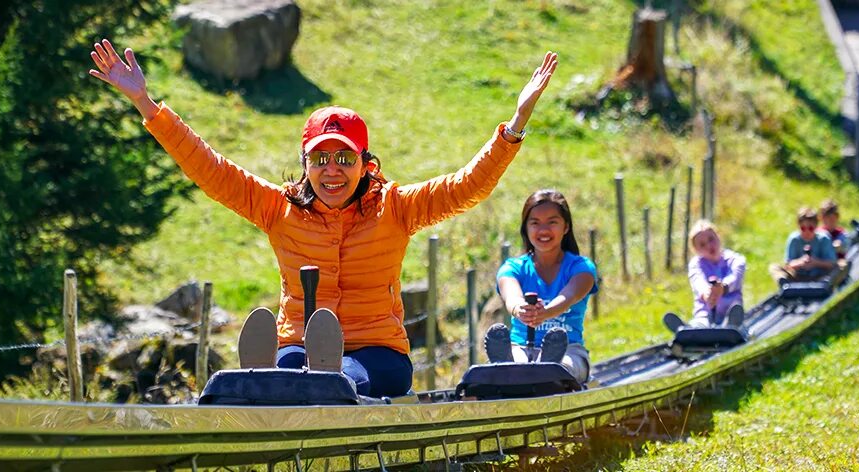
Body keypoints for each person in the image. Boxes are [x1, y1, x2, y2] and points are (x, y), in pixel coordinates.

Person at [89, 39, 559, 398]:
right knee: (295, 370)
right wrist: (147, 106)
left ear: (365, 164)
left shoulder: (395, 206)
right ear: (305, 165)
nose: (331, 170)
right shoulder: (278, 208)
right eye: (320, 160)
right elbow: (211, 169)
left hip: (379, 352)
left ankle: (300, 383)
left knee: (341, 378)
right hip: (296, 342)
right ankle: (271, 379)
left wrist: (514, 125)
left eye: (343, 159)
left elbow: (466, 186)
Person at [484, 190, 598, 383]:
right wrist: (521, 310)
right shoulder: (512, 268)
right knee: (518, 365)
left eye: (552, 222)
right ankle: (513, 367)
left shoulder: (582, 268)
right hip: (520, 347)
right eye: (535, 223)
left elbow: (568, 297)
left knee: (564, 368)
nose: (543, 230)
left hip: (569, 350)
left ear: (566, 227)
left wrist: (545, 312)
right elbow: (511, 297)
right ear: (526, 229)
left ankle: (546, 369)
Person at [671, 220, 746, 330]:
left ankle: (730, 325)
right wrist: (707, 293)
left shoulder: (736, 259)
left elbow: (735, 279)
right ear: (696, 249)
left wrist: (722, 288)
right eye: (702, 244)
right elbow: (698, 281)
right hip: (705, 313)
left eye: (711, 239)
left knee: (732, 317)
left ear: (718, 236)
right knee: (701, 322)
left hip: (730, 310)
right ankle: (689, 330)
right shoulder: (696, 264)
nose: (709, 245)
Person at [769, 207, 837, 285]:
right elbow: (788, 264)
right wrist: (800, 262)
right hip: (798, 277)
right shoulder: (794, 239)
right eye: (803, 228)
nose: (807, 231)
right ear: (798, 226)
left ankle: (827, 284)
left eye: (810, 228)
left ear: (816, 226)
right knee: (774, 267)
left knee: (839, 267)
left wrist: (815, 262)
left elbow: (832, 263)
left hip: (820, 276)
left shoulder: (824, 238)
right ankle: (785, 283)